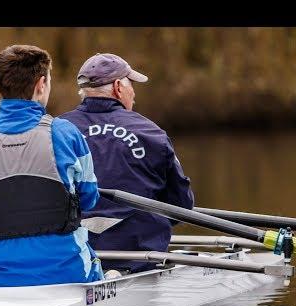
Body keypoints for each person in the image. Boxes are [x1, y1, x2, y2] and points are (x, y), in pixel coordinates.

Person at [0, 45, 103, 287]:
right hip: (69, 274)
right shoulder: (65, 132)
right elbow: (89, 199)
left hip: (0, 280)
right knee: (107, 268)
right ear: (41, 84)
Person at [59, 53, 195, 274]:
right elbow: (181, 206)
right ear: (118, 87)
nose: (134, 92)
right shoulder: (151, 133)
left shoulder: (55, 132)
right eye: (131, 84)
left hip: (71, 258)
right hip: (138, 258)